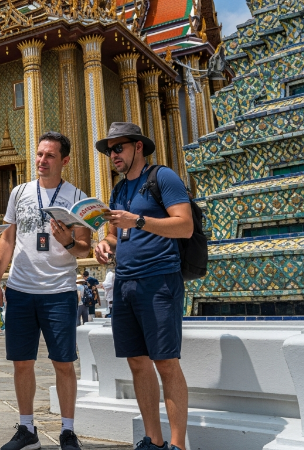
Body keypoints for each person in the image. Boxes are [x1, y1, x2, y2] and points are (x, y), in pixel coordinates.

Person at [94, 122, 193, 450]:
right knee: (137, 361)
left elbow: (185, 226)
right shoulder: (119, 189)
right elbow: (115, 234)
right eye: (110, 150)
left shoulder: (162, 177)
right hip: (125, 282)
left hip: (159, 279)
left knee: (166, 362)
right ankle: (154, 440)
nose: (113, 155)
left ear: (138, 146)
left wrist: (137, 220)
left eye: (118, 148)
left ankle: (178, 445)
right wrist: (105, 244)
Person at [0, 131, 89, 450]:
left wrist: (68, 242)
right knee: (22, 362)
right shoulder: (20, 192)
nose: (42, 160)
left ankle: (68, 431)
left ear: (64, 160)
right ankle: (27, 429)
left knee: (63, 363)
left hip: (59, 291)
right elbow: (7, 239)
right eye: (39, 154)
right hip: (20, 289)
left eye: (50, 156)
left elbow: (84, 247)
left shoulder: (77, 197)